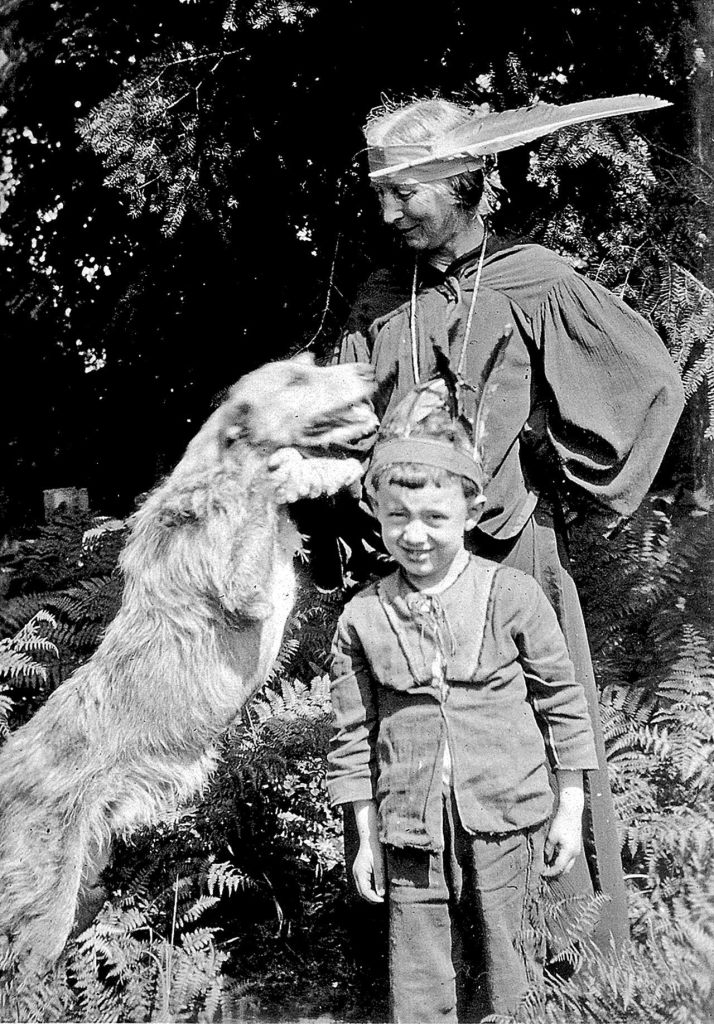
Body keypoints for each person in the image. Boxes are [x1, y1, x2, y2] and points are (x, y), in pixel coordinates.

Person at [334, 94, 686, 950]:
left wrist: (545, 461)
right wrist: (372, 468)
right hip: (407, 566)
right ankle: (438, 944)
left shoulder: (536, 280)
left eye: (405, 191)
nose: (387, 212)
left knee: (536, 731)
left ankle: (564, 948)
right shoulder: (380, 296)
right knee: (410, 733)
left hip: (510, 557)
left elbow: (649, 386)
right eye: (379, 191)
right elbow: (341, 424)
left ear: (461, 181)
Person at [327, 377, 600, 1022]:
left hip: (508, 820)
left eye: (435, 518)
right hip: (411, 829)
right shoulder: (361, 615)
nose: (415, 535)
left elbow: (563, 703)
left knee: (514, 971)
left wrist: (569, 809)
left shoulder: (514, 597)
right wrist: (366, 839)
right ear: (377, 516)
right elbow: (351, 738)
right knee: (420, 984)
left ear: (472, 513)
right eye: (397, 517)